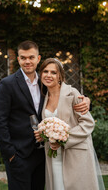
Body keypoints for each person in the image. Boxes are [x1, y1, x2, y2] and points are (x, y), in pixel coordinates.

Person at [0, 40, 91, 190]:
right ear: (18, 59)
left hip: (43, 156)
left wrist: (87, 100)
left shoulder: (45, 83)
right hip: (19, 156)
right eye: (23, 58)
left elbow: (64, 95)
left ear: (38, 59)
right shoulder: (8, 84)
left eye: (31, 57)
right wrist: (10, 154)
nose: (27, 61)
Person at [35, 58, 105, 190]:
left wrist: (63, 140)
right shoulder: (43, 97)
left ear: (60, 76)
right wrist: (42, 134)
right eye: (45, 71)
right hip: (53, 155)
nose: (49, 75)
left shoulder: (72, 94)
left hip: (74, 154)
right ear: (41, 74)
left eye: (53, 72)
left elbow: (88, 123)